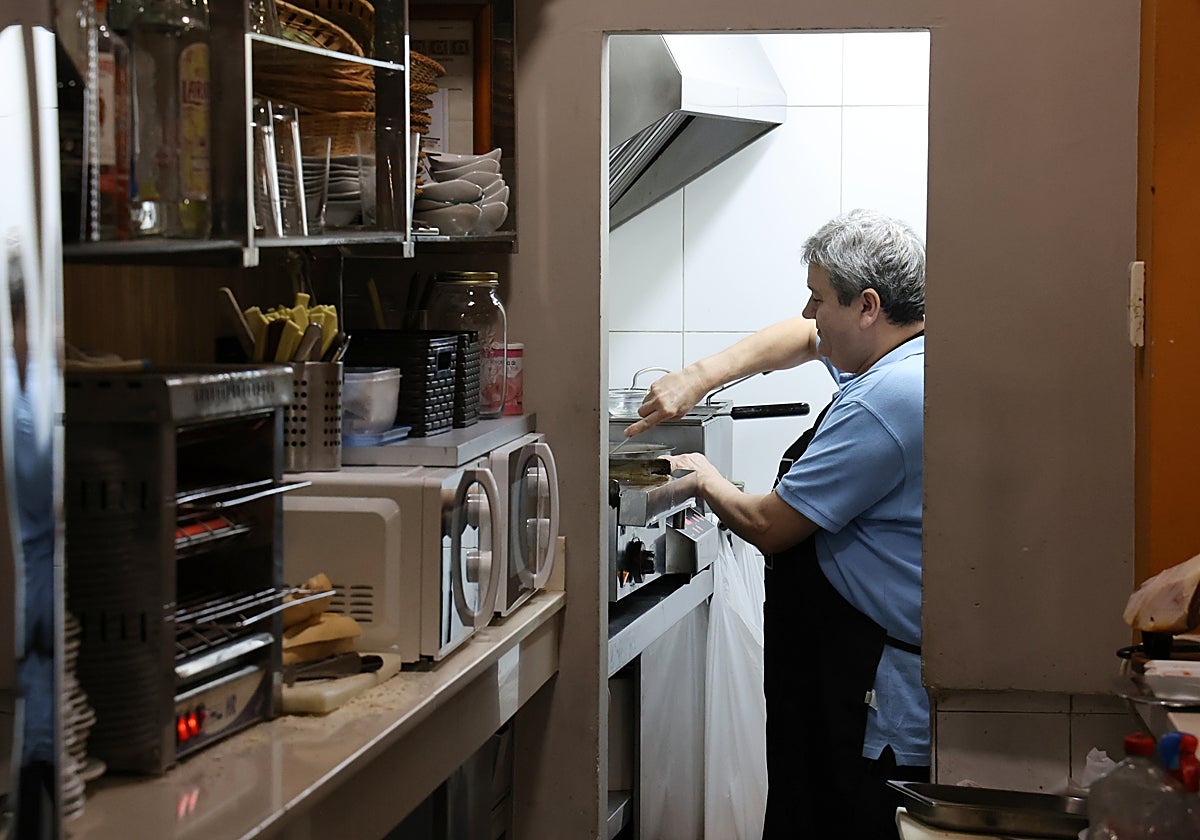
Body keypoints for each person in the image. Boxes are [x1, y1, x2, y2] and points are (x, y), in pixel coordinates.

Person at [625, 209, 929, 839]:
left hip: (864, 693)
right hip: (846, 673)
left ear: (868, 306)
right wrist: (698, 376)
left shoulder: (884, 402)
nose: (810, 311)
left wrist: (704, 476)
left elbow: (770, 526)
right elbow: (803, 338)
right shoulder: (910, 354)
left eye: (819, 297)